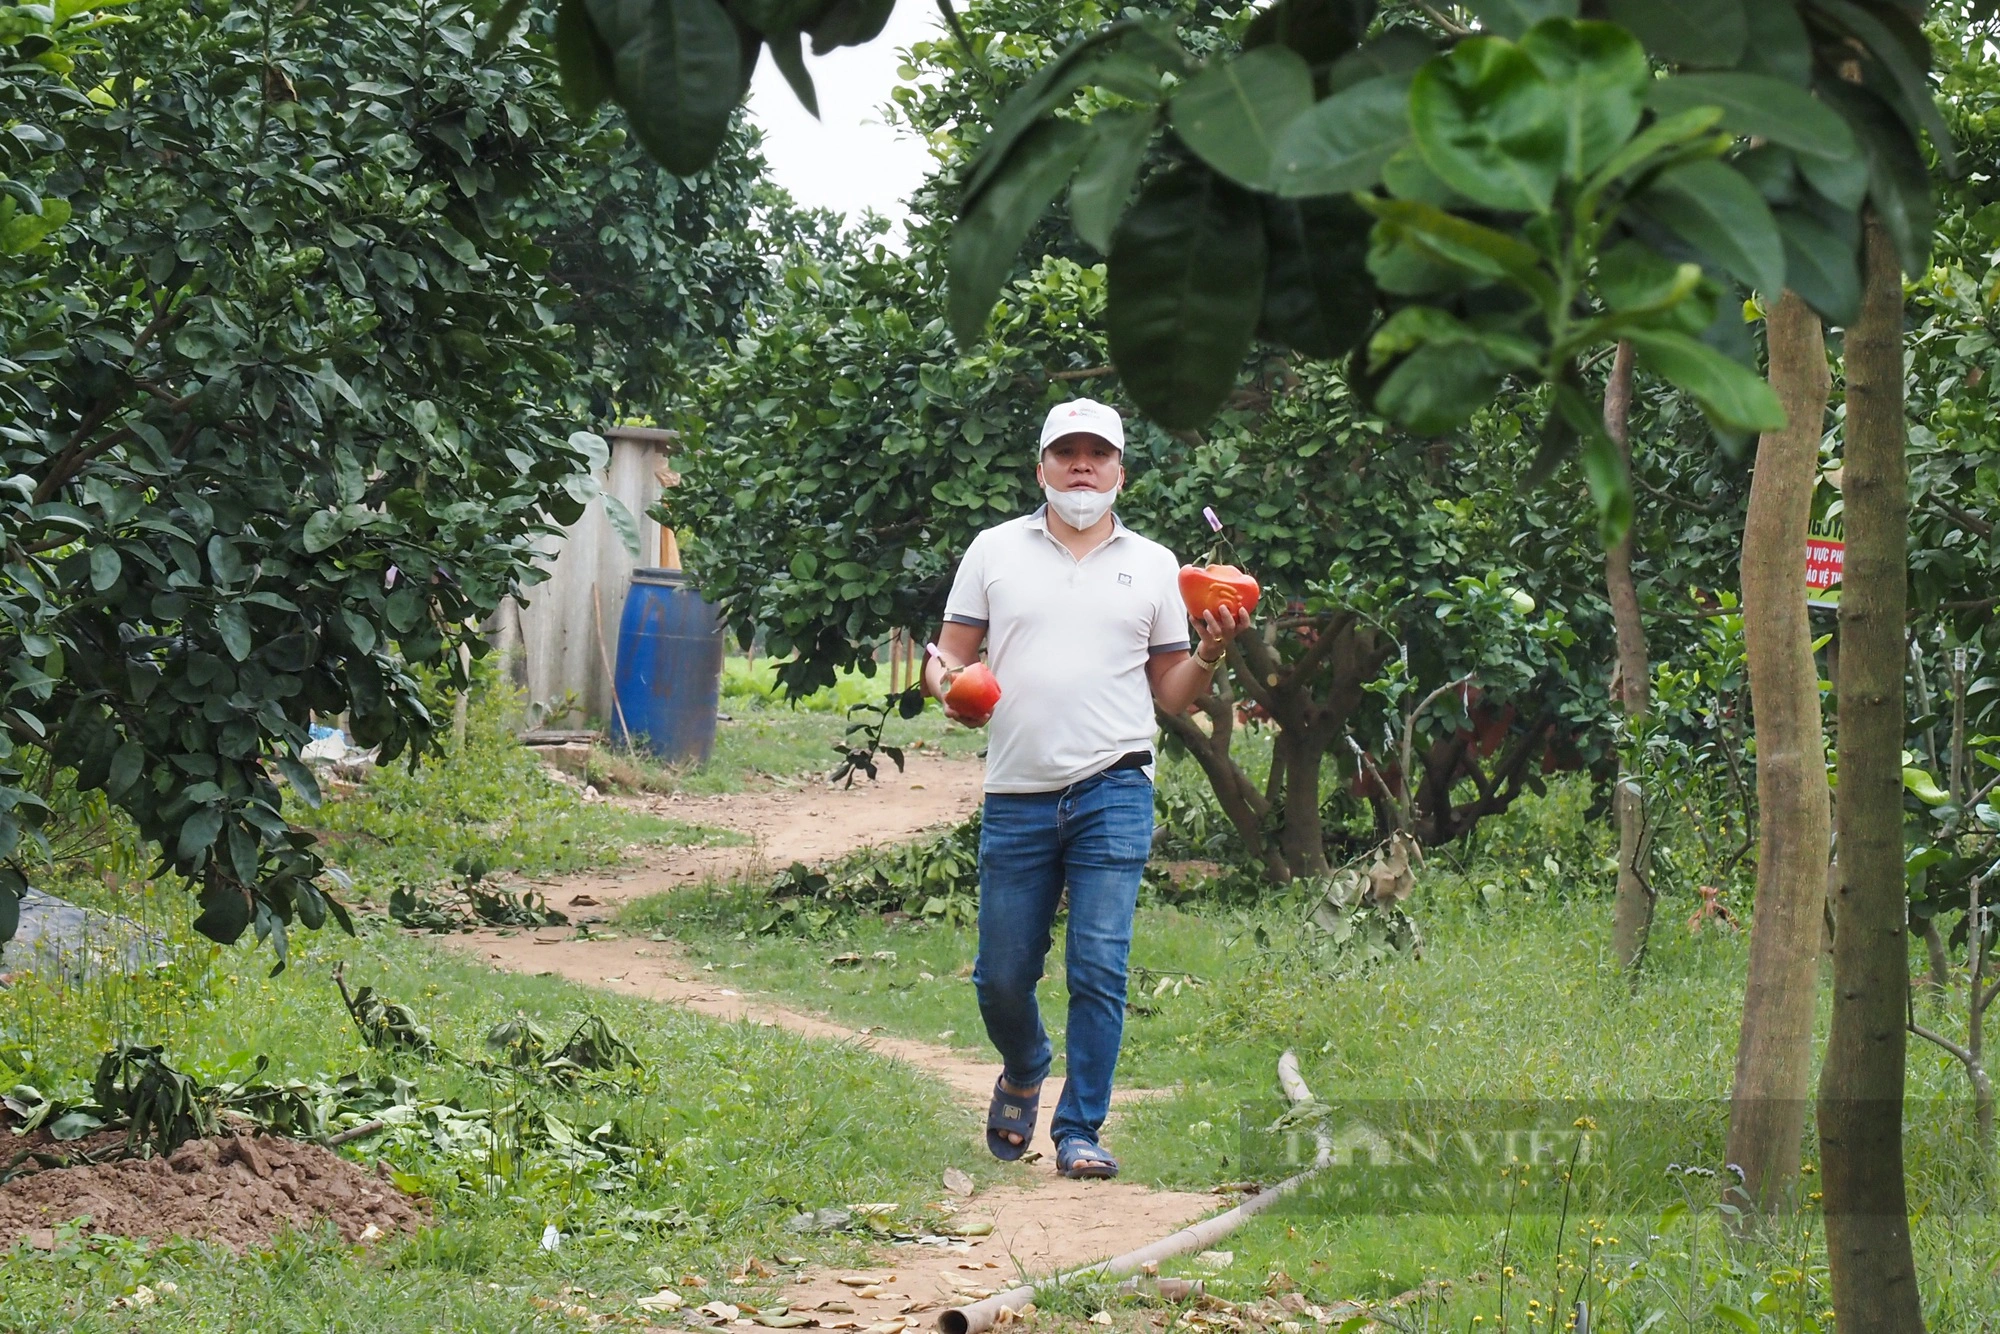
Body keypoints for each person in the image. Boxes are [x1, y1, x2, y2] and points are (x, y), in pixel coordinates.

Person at [923, 398, 1250, 1180]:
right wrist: (951, 689)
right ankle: (1026, 1063)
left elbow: (1172, 694)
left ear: (1119, 473)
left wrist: (1209, 653)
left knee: (1099, 965)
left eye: (1096, 454)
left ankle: (1080, 1130)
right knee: (1001, 975)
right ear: (1041, 468)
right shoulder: (994, 551)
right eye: (1065, 452)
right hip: (1018, 791)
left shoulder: (1160, 566)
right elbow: (948, 656)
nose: (1081, 466)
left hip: (1115, 784)